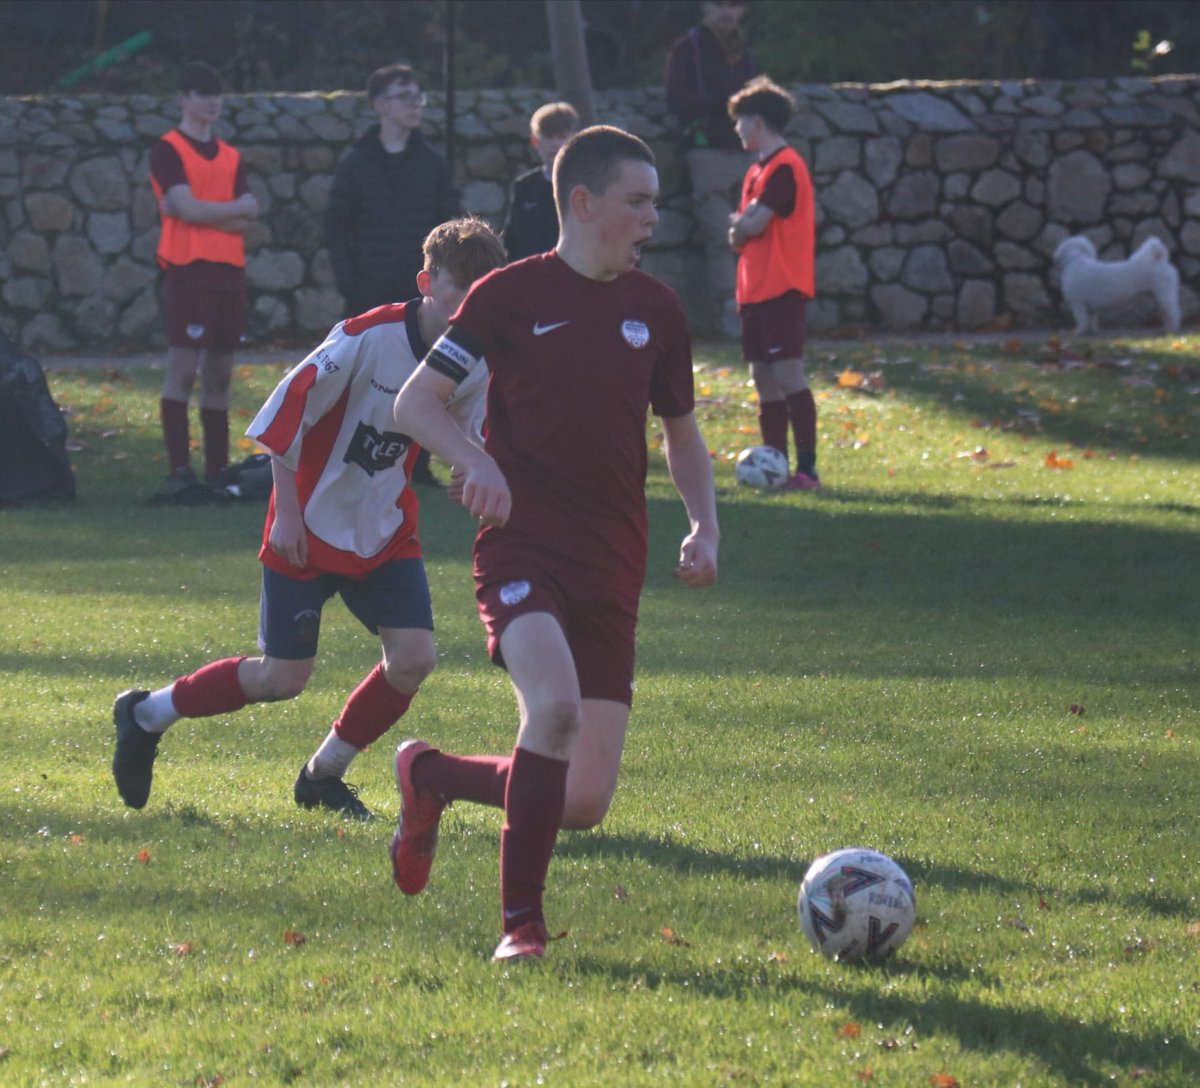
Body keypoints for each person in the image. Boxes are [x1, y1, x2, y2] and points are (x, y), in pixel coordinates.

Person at [391, 126, 721, 963]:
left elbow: (682, 435)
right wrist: (474, 461)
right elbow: (417, 403)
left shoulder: (658, 309)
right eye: (637, 201)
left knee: (580, 801)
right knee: (557, 709)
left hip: (614, 560)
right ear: (582, 202)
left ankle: (430, 775)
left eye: (655, 201)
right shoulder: (505, 295)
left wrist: (704, 524)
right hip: (521, 548)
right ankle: (520, 929)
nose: (653, 217)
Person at [111, 218, 508, 820]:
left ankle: (323, 775)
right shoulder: (364, 337)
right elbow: (284, 415)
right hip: (310, 520)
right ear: (426, 282)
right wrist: (287, 514)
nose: (470, 303)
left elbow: (468, 436)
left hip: (384, 527)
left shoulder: (474, 359)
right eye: (459, 287)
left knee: (414, 658)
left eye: (484, 291)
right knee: (282, 677)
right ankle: (147, 713)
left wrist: (469, 470)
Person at [325, 63, 462, 486]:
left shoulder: (431, 163)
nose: (415, 105)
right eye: (405, 97)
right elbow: (337, 225)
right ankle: (356, 459)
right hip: (367, 287)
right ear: (380, 105)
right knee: (364, 377)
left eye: (419, 97)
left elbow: (450, 225)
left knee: (420, 375)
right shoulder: (356, 162)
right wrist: (350, 280)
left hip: (420, 291)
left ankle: (414, 465)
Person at [150, 60, 259, 503]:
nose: (210, 102)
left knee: (220, 371)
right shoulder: (167, 149)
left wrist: (208, 211)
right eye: (201, 93)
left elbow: (246, 220)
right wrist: (227, 211)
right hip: (188, 268)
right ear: (183, 98)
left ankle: (218, 471)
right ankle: (180, 469)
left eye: (216, 94)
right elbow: (184, 208)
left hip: (228, 271)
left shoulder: (231, 156)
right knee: (184, 369)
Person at [727, 76, 819, 490]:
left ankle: (807, 470)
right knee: (763, 379)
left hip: (782, 286)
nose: (737, 129)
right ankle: (774, 465)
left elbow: (752, 225)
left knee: (788, 375)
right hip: (754, 289)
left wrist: (743, 227)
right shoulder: (756, 171)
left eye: (741, 120)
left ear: (758, 121)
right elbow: (739, 234)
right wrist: (743, 227)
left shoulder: (785, 167)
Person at [664, 1, 756, 338]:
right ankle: (731, 315)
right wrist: (727, 101)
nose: (727, 12)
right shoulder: (688, 47)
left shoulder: (742, 48)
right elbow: (675, 98)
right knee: (720, 237)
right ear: (704, 7)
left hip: (747, 151)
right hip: (707, 153)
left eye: (735, 5)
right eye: (719, 4)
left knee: (754, 235)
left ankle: (757, 309)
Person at [502, 101, 579, 261]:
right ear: (535, 142)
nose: (555, 144)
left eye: (561, 136)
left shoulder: (587, 185)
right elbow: (512, 240)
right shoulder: (524, 187)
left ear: (574, 140)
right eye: (549, 136)